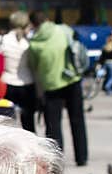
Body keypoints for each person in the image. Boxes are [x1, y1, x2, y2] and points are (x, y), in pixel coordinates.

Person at [27, 10, 88, 166]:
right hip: (71, 78)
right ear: (47, 19)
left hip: (50, 85)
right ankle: (81, 157)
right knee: (77, 120)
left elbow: (33, 67)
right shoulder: (63, 29)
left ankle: (57, 160)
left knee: (53, 124)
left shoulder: (34, 43)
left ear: (33, 24)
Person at [0, 11, 36, 132]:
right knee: (29, 123)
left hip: (7, 83)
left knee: (6, 123)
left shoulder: (3, 40)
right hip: (27, 83)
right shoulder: (29, 42)